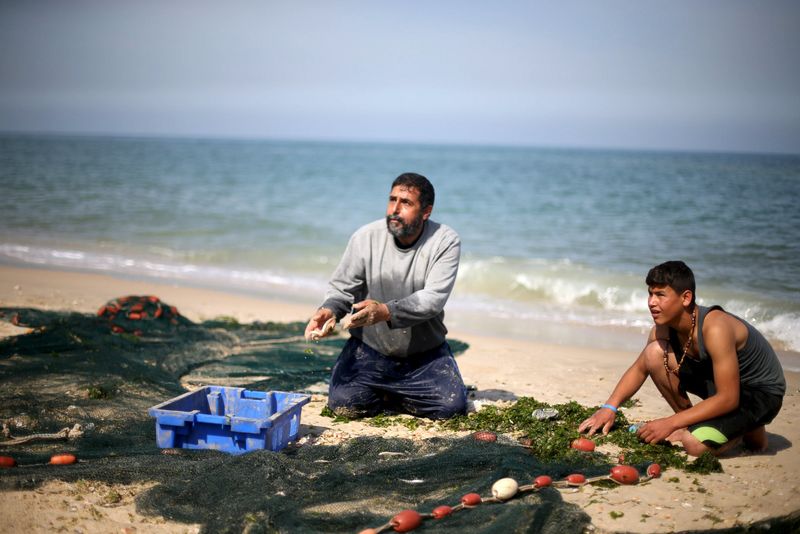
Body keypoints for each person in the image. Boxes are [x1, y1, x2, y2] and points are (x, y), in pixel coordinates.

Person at [578, 260, 785, 456]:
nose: (651, 302)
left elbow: (729, 398)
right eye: (650, 294)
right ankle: (697, 424)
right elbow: (640, 368)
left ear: (685, 298)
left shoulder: (715, 328)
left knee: (693, 444)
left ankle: (746, 427)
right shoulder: (664, 330)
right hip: (722, 384)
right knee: (654, 352)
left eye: (660, 295)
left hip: (759, 393)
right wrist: (609, 408)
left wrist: (670, 422)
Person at [304, 172, 467, 420]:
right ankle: (391, 392)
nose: (395, 209)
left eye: (406, 203)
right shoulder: (365, 237)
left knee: (450, 409)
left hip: (425, 354)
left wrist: (383, 312)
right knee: (344, 405)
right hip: (369, 349)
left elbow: (433, 299)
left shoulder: (445, 241)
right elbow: (342, 288)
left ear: (426, 211)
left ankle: (396, 392)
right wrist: (329, 310)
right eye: (392, 200)